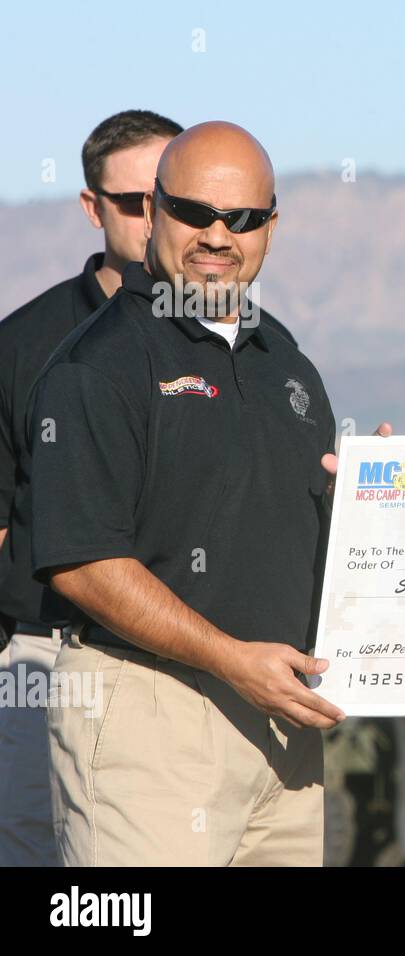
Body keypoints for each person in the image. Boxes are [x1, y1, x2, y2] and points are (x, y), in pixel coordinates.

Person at [27, 121, 381, 866]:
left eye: (243, 219)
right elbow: (84, 562)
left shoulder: (286, 362)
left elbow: (296, 533)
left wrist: (381, 498)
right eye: (195, 212)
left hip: (283, 725)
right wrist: (228, 658)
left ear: (271, 228)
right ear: (153, 211)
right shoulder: (99, 365)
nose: (219, 236)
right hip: (149, 714)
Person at [0, 109, 182, 867]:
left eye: (168, 199)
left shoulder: (255, 345)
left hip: (194, 671)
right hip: (48, 667)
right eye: (132, 202)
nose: (152, 219)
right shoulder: (23, 344)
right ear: (92, 207)